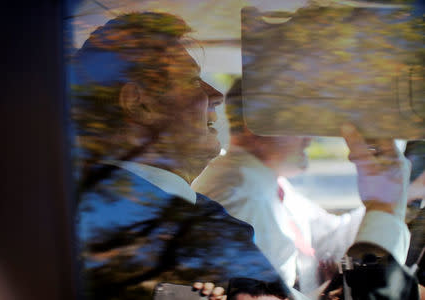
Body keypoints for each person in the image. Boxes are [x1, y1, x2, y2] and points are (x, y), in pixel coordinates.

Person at [73, 12, 418, 300]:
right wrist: (385, 209)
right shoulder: (157, 231)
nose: (216, 94)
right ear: (139, 103)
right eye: (192, 81)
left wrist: (385, 211)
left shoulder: (126, 213)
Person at [193, 79, 365, 294]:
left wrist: (400, 198)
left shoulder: (267, 183)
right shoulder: (239, 196)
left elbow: (328, 236)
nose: (310, 137)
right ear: (254, 125)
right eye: (298, 123)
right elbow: (257, 296)